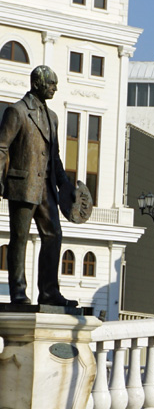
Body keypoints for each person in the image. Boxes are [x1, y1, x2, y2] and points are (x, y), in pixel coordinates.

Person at [0, 66, 78, 306]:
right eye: (51, 83)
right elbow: (2, 146)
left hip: (46, 187)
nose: (55, 87)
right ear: (37, 84)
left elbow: (55, 158)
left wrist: (65, 185)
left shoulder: (52, 117)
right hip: (22, 185)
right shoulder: (17, 111)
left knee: (54, 234)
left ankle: (49, 292)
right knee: (19, 239)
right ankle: (19, 293)